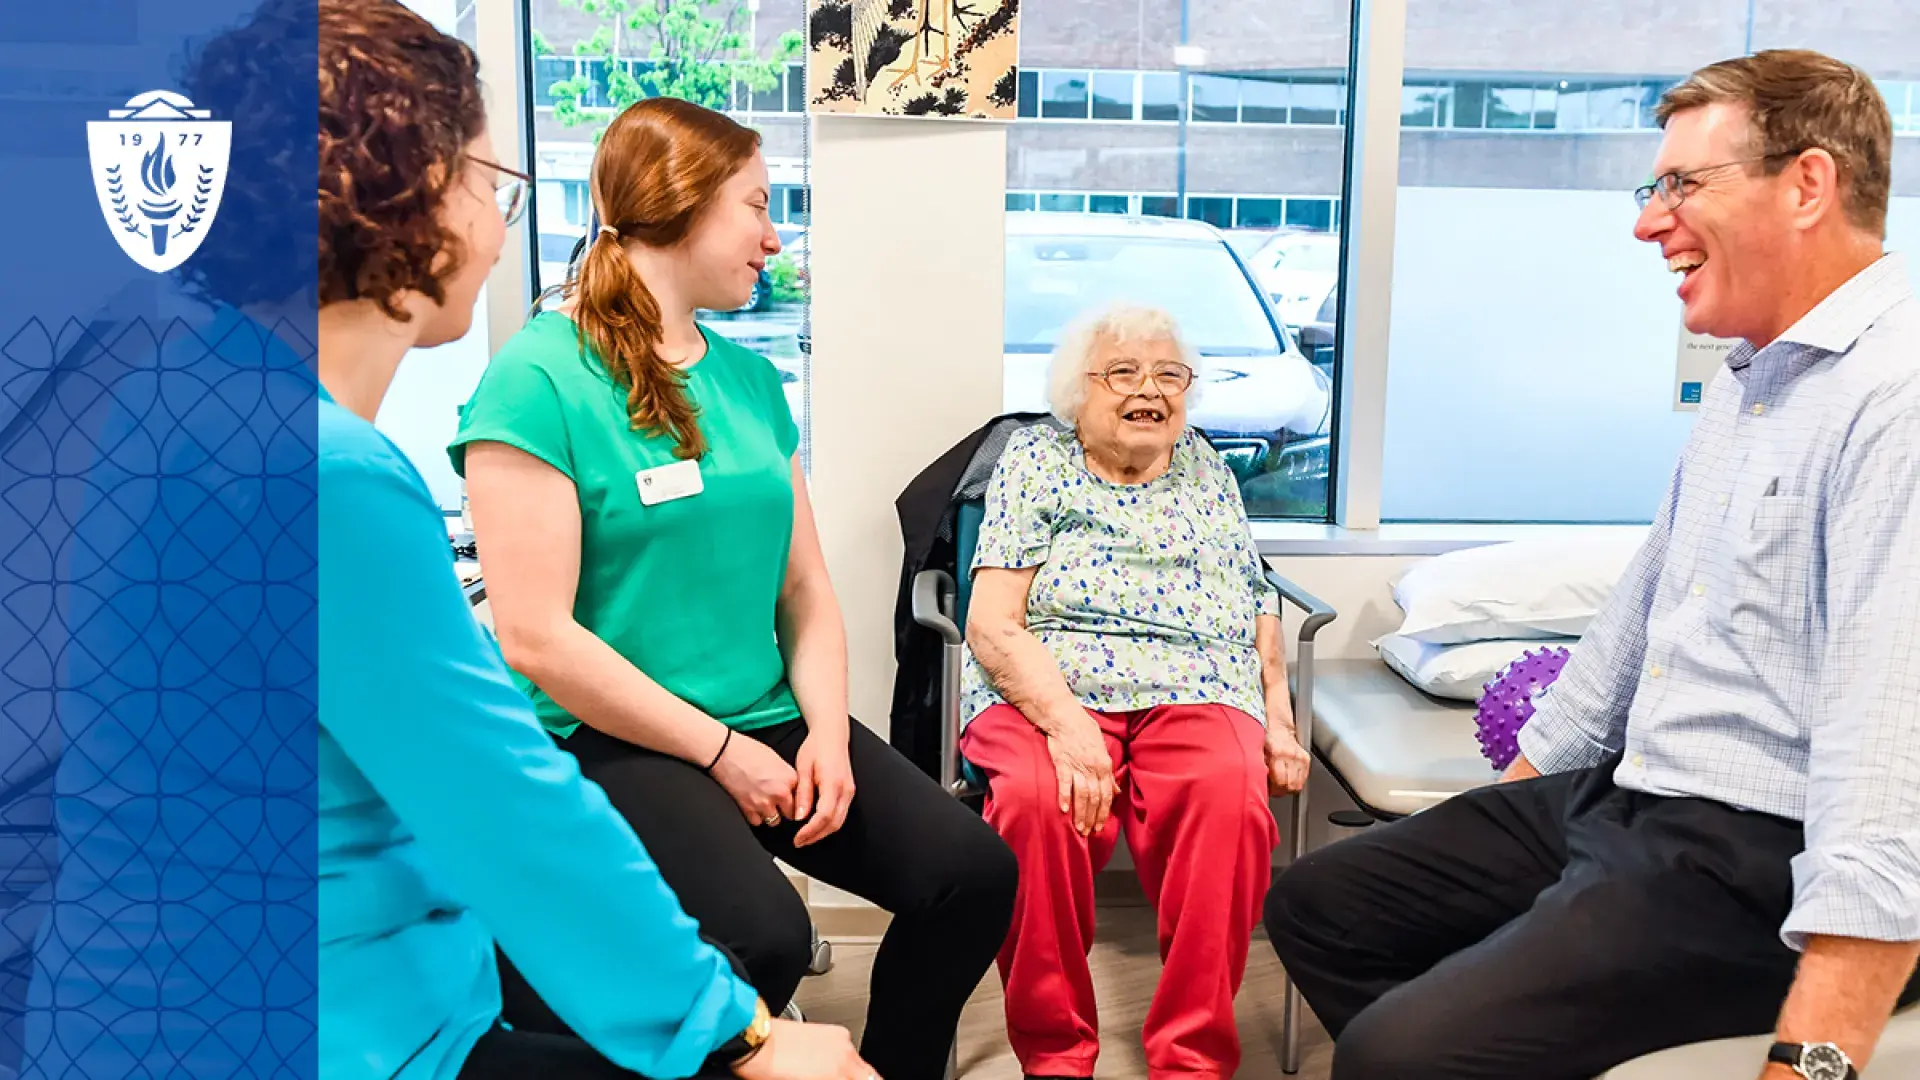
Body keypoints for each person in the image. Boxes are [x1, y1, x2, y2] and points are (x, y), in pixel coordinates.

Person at [1265, 48, 1920, 1080]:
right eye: (1653, 187)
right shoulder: (1754, 380)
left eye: (1683, 185)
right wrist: (1508, 822)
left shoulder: (1897, 399)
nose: (1647, 220)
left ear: (1808, 186)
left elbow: (1892, 764)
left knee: (1395, 1057)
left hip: (1760, 858)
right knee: (1320, 904)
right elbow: (1638, 622)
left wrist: (1816, 1061)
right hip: (1634, 797)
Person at [316, 4, 875, 1078]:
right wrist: (745, 1034)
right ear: (407, 192)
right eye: (489, 180)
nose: (500, 217)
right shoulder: (340, 479)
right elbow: (504, 803)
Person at [449, 96, 1018, 1080]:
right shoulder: (536, 380)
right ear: (679, 205)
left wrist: (831, 733)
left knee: (970, 874)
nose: (773, 233)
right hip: (613, 737)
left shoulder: (751, 383)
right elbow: (535, 638)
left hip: (767, 717)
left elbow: (805, 588)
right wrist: (720, 753)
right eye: (755, 205)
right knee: (761, 937)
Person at [956, 303, 1311, 1080]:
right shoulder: (1033, 461)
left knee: (1229, 796)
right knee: (1031, 801)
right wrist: (1066, 728)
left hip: (1193, 678)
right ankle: (1055, 1053)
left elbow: (1254, 603)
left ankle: (1193, 1058)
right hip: (1047, 678)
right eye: (1123, 372)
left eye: (1168, 375)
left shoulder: (1206, 467)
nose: (1149, 390)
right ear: (1078, 392)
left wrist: (1278, 723)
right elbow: (991, 622)